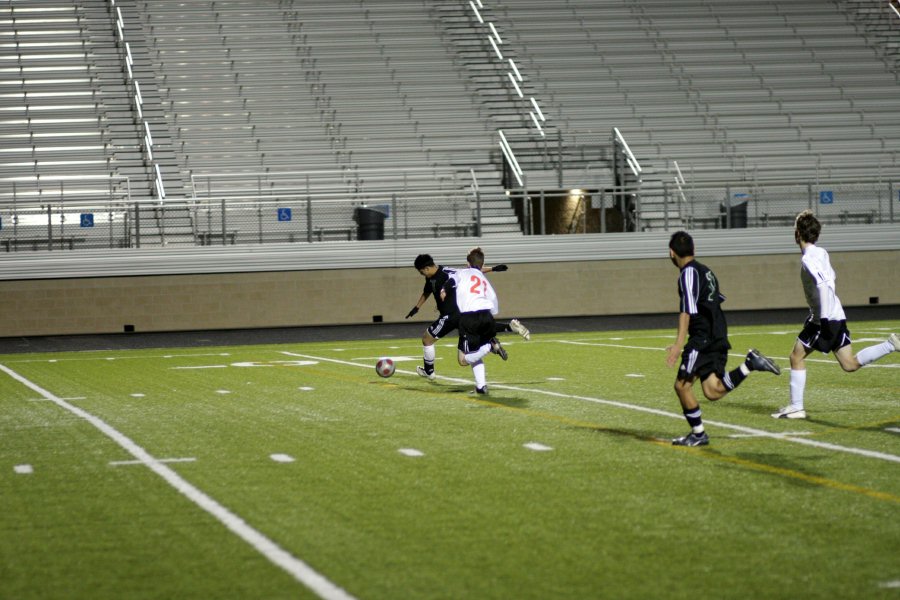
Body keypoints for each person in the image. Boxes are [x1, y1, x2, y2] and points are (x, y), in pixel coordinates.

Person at [771, 210, 900, 419]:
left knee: (796, 357)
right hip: (836, 315)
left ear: (797, 235)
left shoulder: (808, 259)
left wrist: (821, 320)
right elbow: (830, 280)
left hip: (825, 319)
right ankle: (890, 345)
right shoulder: (821, 252)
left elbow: (823, 284)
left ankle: (796, 407)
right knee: (849, 364)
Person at [665, 231, 782, 446]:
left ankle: (699, 435)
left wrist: (678, 345)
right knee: (712, 390)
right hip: (718, 332)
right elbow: (717, 299)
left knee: (682, 386)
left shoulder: (687, 274)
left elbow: (687, 311)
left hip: (703, 336)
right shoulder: (707, 272)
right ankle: (749, 365)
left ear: (671, 253)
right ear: (694, 250)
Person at [405, 254, 529, 381]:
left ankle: (429, 371)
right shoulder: (430, 278)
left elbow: (471, 272)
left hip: (450, 316)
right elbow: (427, 292)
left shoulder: (446, 272)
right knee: (468, 350)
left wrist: (493, 269)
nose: (422, 275)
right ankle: (504, 331)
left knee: (427, 339)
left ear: (426, 268)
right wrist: (417, 307)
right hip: (461, 316)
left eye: (421, 272)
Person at [439, 247, 507, 394]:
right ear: (482, 265)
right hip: (487, 316)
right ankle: (481, 386)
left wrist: (444, 289)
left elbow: (451, 281)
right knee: (474, 352)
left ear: (467, 263)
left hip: (469, 318)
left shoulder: (462, 272)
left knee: (463, 359)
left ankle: (489, 346)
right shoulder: (482, 277)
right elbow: (493, 297)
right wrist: (493, 312)